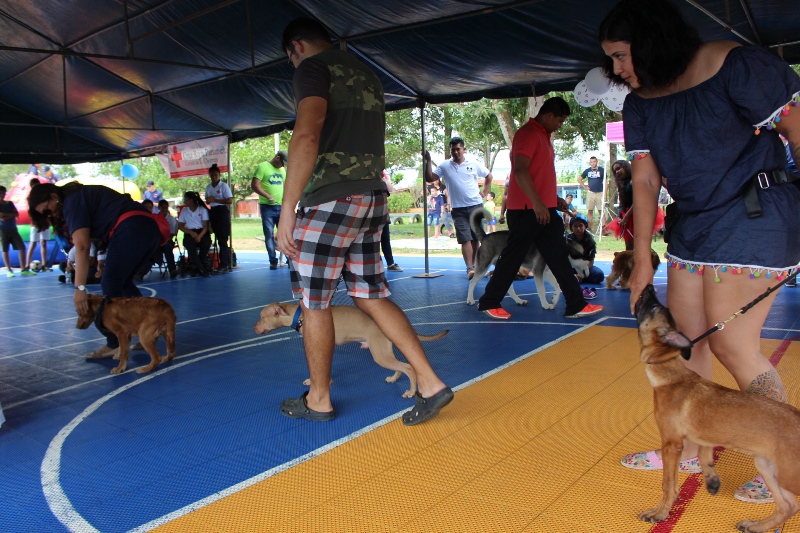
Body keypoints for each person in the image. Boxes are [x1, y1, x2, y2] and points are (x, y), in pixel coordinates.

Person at [600, 0, 800, 503]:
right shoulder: (639, 103)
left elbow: (796, 126)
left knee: (733, 345)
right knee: (688, 341)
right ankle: (691, 447)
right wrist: (640, 259)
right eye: (612, 59)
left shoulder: (732, 63)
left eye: (621, 55)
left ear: (651, 42)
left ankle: (786, 456)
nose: (616, 70)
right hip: (693, 225)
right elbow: (645, 179)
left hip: (756, 214)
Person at [277, 17, 452, 424]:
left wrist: (288, 208)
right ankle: (430, 383)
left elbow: (307, 133)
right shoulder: (366, 73)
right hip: (371, 198)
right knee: (371, 296)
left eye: (291, 58)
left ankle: (319, 399)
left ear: (297, 46)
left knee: (314, 303)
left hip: (330, 199)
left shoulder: (312, 68)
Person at [476, 97, 603, 320]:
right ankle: (489, 301)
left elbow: (539, 176)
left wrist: (554, 199)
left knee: (558, 257)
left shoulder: (544, 136)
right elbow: (520, 170)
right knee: (513, 257)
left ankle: (575, 304)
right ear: (549, 115)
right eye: (560, 121)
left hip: (544, 208)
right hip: (527, 209)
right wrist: (537, 202)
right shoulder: (528, 134)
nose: (560, 126)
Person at [28, 182, 167, 358]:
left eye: (47, 211)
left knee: (110, 284)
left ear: (54, 197)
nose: (50, 215)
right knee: (122, 283)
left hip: (131, 228)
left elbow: (82, 247)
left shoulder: (72, 202)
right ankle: (148, 329)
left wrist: (80, 288)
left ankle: (115, 342)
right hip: (147, 228)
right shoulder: (79, 197)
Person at [423, 137, 493, 279]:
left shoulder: (473, 163)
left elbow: (489, 176)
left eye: (458, 149)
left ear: (464, 149)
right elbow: (429, 178)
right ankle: (469, 268)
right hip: (458, 209)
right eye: (453, 150)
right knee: (464, 238)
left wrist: (485, 191)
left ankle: (475, 266)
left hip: (475, 206)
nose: (455, 152)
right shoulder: (444, 165)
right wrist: (428, 161)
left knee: (475, 238)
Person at [252, 151, 287, 269]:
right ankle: (273, 260)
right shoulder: (263, 167)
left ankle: (289, 259)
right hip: (267, 207)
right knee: (269, 235)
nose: (282, 166)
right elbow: (254, 185)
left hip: (281, 206)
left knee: (284, 233)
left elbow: (285, 185)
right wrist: (268, 196)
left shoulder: (282, 170)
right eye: (282, 163)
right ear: (277, 158)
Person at [1, 185, 36, 277]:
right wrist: (10, 215)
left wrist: (7, 215)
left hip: (13, 229)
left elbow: (16, 214)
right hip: (2, 230)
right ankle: (9, 270)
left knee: (21, 247)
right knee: (5, 249)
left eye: (3, 193)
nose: (2, 195)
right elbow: (1, 217)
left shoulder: (9, 203)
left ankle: (23, 269)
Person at [205, 163, 233, 273]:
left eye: (215, 175)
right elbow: (207, 201)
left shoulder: (223, 186)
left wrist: (215, 200)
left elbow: (230, 200)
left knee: (223, 240)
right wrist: (209, 200)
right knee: (216, 237)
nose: (214, 177)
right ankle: (219, 263)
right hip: (213, 212)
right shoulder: (208, 187)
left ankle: (224, 264)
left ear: (219, 175)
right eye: (212, 175)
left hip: (222, 212)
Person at [177, 191, 211, 277]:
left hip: (202, 232)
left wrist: (199, 236)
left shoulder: (202, 209)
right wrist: (190, 232)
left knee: (206, 243)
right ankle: (201, 268)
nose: (184, 201)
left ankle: (196, 267)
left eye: (186, 200)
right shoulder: (184, 211)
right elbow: (181, 226)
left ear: (191, 200)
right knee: (190, 245)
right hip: (189, 232)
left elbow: (205, 226)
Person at [567, 214, 604, 289]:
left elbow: (591, 260)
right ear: (571, 228)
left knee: (599, 275)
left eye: (581, 226)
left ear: (585, 226)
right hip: (571, 268)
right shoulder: (567, 240)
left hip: (585, 268)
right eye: (575, 226)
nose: (578, 228)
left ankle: (578, 278)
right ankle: (576, 278)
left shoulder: (590, 241)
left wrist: (582, 273)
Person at [25, 178, 52, 271]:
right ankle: (27, 265)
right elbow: (30, 211)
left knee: (43, 242)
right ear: (31, 187)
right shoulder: (29, 198)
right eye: (34, 186)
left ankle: (44, 265)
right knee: (33, 243)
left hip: (45, 221)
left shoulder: (44, 196)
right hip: (35, 223)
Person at [380, 170, 402, 272]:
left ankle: (390, 263)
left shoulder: (383, 176)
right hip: (370, 215)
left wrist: (384, 178)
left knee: (385, 240)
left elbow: (390, 189)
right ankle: (376, 264)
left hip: (383, 213)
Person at [578, 156, 605, 231]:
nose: (593, 163)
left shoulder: (601, 170)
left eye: (594, 161)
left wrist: (605, 194)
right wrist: (584, 186)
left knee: (601, 210)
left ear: (596, 162)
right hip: (591, 193)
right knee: (590, 210)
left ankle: (604, 228)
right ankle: (589, 228)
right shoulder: (587, 171)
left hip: (600, 192)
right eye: (591, 162)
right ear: (590, 163)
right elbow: (579, 179)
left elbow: (606, 181)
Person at [158, 199, 179, 278]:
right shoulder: (155, 217)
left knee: (167, 247)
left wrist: (164, 241)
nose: (164, 209)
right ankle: (142, 272)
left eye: (165, 207)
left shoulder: (171, 219)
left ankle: (172, 270)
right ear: (159, 208)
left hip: (167, 240)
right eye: (162, 207)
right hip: (157, 240)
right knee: (152, 249)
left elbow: (172, 234)